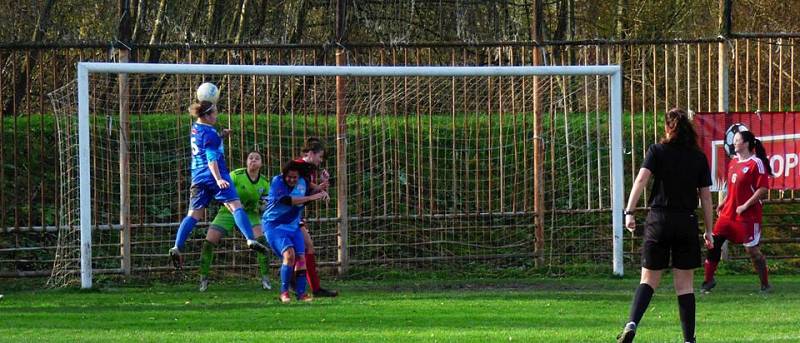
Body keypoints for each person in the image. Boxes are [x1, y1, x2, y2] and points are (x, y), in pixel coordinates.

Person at [617, 108, 714, 343]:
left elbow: (641, 179)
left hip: (659, 220)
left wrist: (629, 211)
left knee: (648, 280)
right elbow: (706, 196)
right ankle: (689, 340)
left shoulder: (657, 151)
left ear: (667, 128)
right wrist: (709, 230)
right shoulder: (698, 157)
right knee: (685, 286)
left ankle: (631, 324)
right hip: (685, 221)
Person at [169, 100, 268, 268]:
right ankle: (250, 239)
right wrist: (218, 178)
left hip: (198, 178)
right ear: (206, 115)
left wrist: (221, 137)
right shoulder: (211, 134)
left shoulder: (196, 128)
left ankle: (177, 246)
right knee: (236, 207)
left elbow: (206, 145)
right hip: (215, 175)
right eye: (214, 112)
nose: (216, 115)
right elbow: (211, 158)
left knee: (193, 215)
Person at [702, 130, 772, 293]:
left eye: (737, 140)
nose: (734, 142)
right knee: (714, 243)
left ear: (746, 143)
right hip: (728, 214)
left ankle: (765, 284)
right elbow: (733, 187)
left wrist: (745, 205)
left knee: (752, 251)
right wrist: (724, 202)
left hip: (748, 215)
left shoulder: (756, 163)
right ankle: (708, 281)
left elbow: (762, 189)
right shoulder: (733, 162)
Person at [198, 151, 272, 292]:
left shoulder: (264, 182)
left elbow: (266, 202)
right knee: (208, 242)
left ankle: (266, 279)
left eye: (257, 158)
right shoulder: (236, 175)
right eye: (250, 158)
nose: (253, 160)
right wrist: (234, 208)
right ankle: (203, 279)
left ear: (261, 163)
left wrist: (263, 206)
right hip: (229, 211)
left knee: (261, 241)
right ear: (246, 161)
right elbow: (222, 192)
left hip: (250, 214)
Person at [263, 160, 329, 303]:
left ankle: (301, 294)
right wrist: (313, 196)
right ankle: (284, 292)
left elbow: (309, 196)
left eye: (295, 177)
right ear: (284, 174)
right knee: (289, 255)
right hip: (275, 225)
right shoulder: (277, 182)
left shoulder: (303, 183)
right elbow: (287, 200)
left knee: (300, 258)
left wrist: (323, 187)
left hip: (293, 226)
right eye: (289, 177)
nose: (291, 180)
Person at [293, 137, 338, 297]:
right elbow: (294, 193)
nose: (321, 161)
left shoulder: (309, 171)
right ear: (311, 154)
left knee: (304, 248)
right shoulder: (297, 167)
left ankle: (308, 286)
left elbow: (307, 193)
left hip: (294, 215)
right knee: (302, 248)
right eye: (320, 157)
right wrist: (320, 189)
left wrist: (322, 186)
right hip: (286, 215)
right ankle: (303, 286)